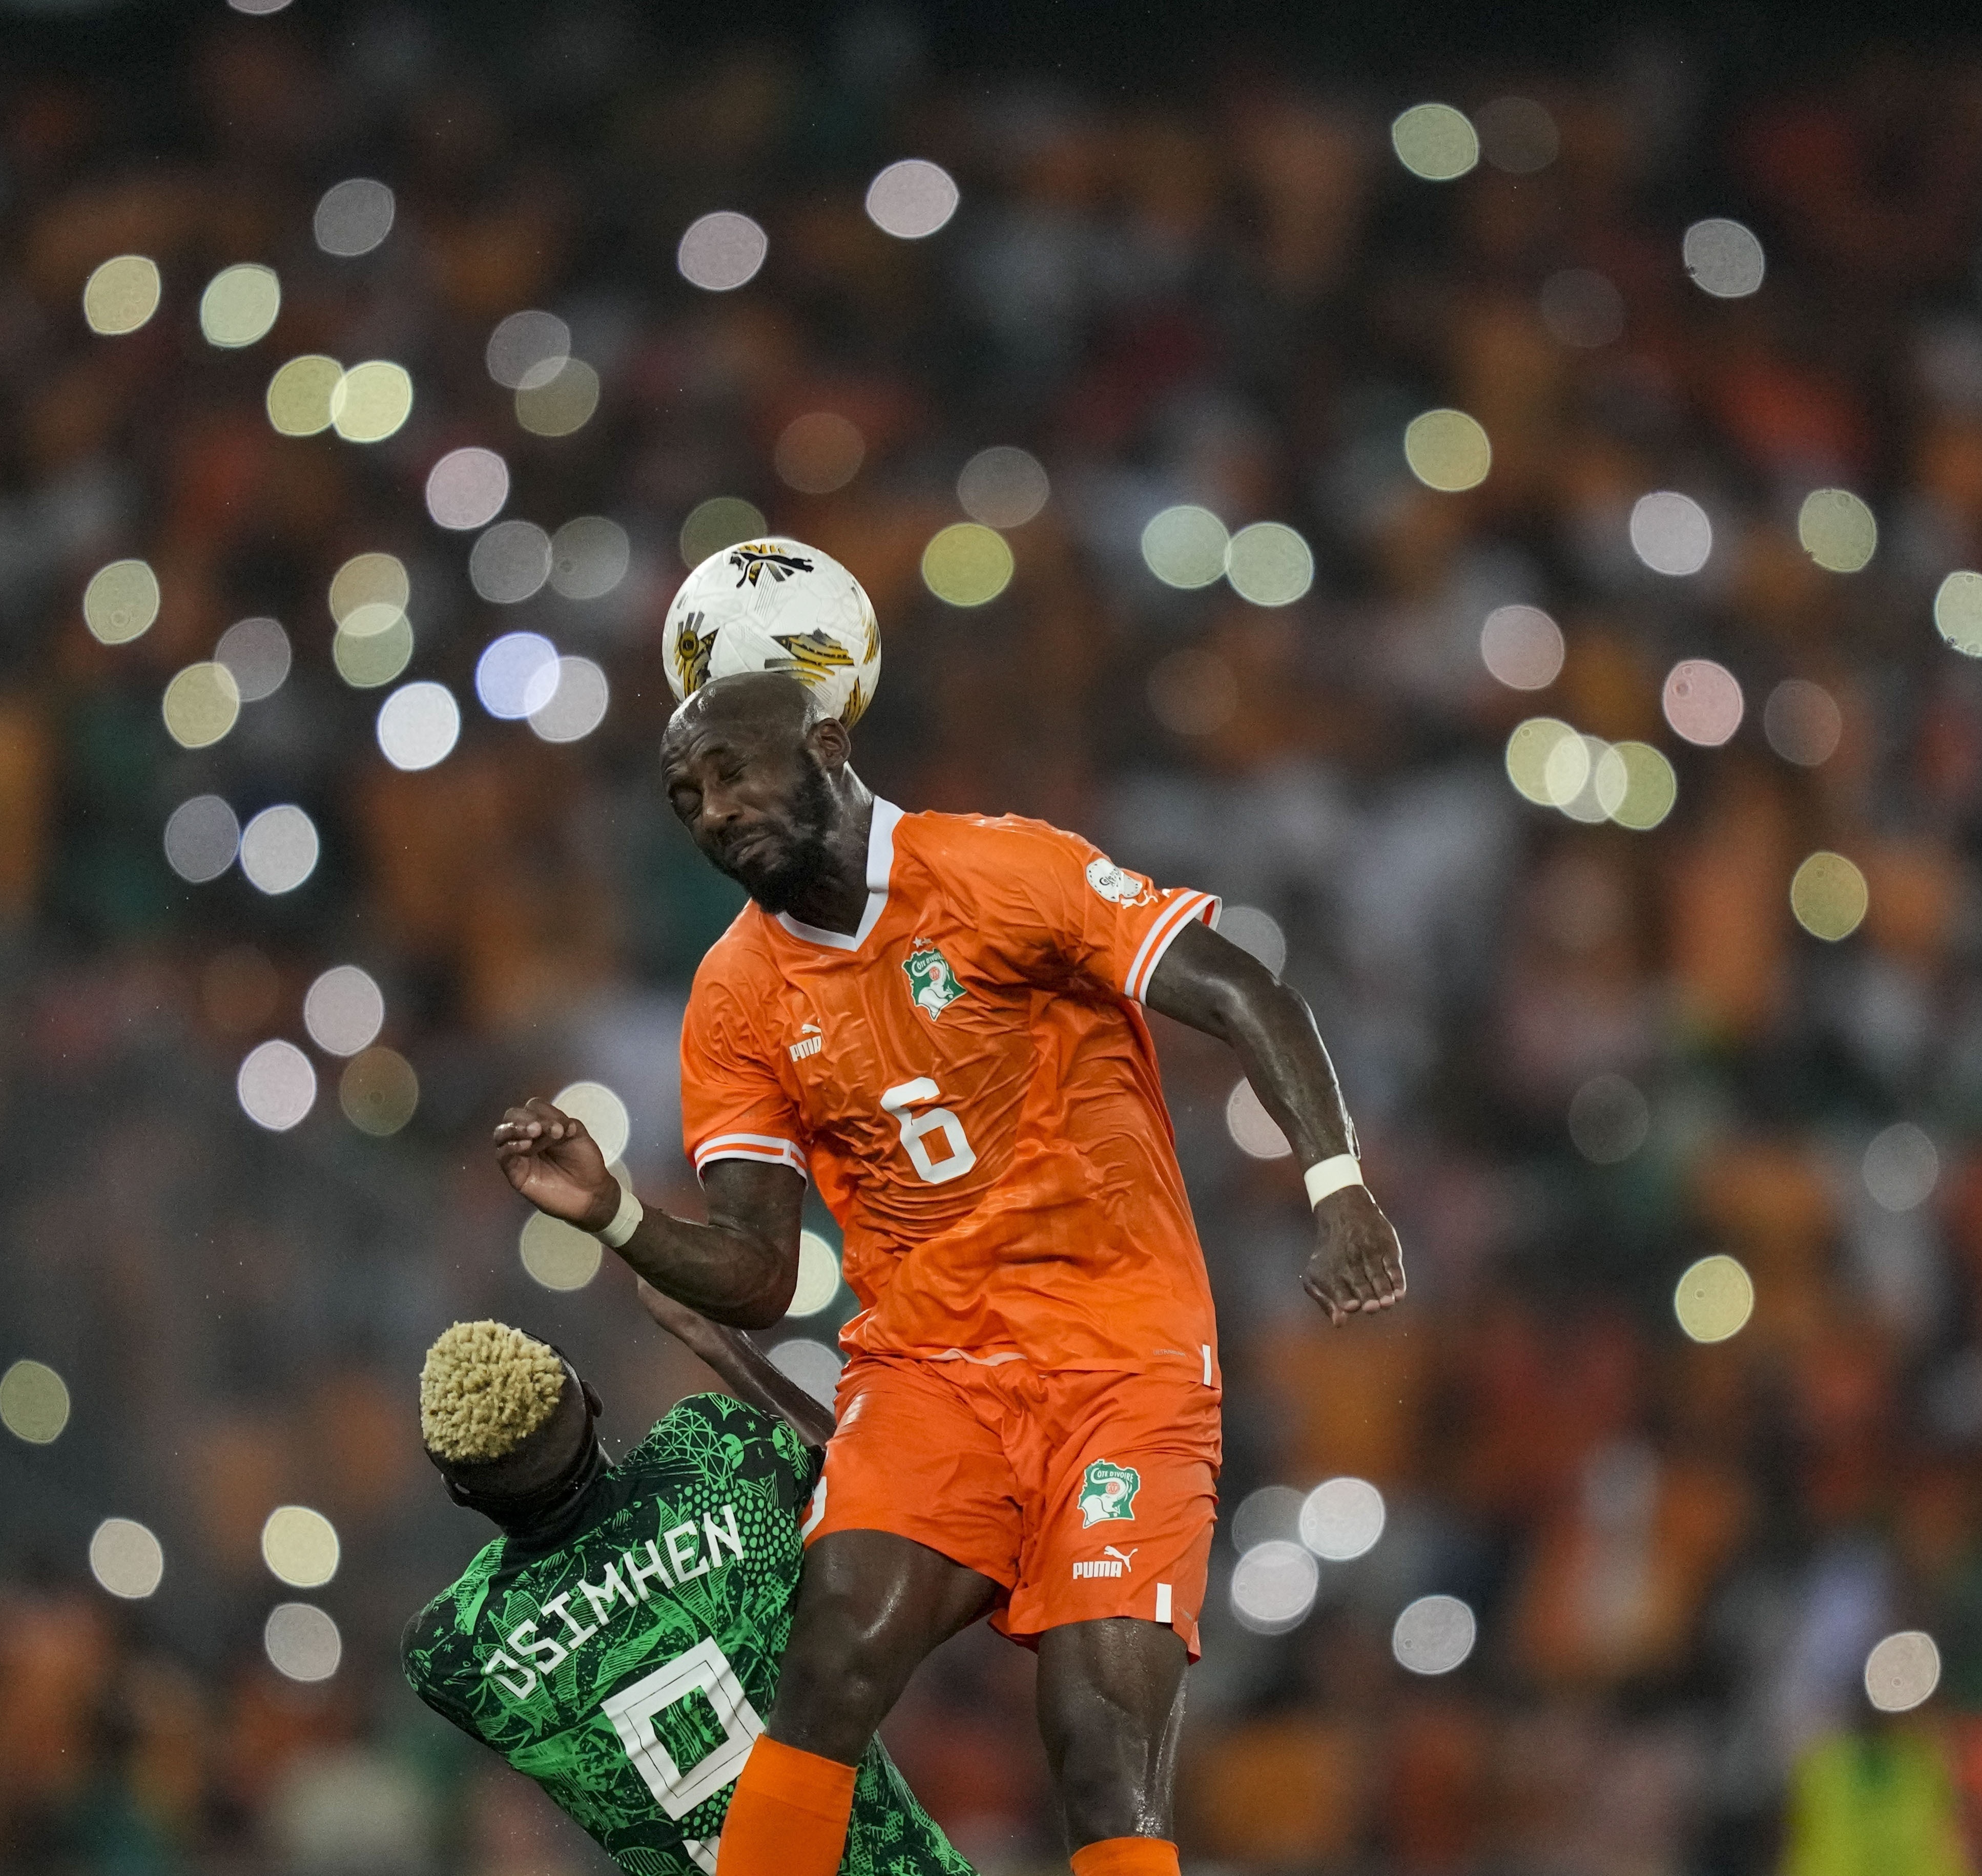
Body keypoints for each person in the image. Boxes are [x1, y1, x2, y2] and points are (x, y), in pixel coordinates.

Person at [493, 653, 1407, 1876]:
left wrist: (1337, 1188)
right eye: (683, 796)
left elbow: (1240, 987)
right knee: (831, 1659)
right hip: (930, 1372)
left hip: (1122, 1367)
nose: (711, 810)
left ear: (823, 750)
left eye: (731, 772)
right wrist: (610, 1212)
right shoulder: (733, 996)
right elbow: (760, 1274)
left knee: (1098, 1746)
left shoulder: (999, 869)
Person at [400, 1284, 976, 1875]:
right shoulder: (712, 1453)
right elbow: (859, 1494)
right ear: (592, 1399)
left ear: (457, 1491)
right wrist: (718, 1342)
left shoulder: (453, 1652)